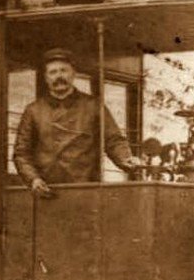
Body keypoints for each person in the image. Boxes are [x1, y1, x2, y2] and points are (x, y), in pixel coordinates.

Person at [13, 48, 142, 197]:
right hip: (47, 192)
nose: (59, 76)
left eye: (64, 71)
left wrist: (125, 158)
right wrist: (33, 179)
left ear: (73, 74)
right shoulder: (33, 111)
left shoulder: (94, 106)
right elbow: (21, 153)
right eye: (53, 72)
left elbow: (113, 140)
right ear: (46, 78)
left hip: (85, 190)